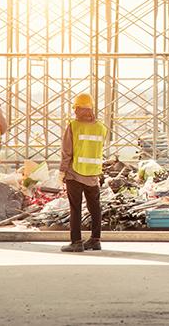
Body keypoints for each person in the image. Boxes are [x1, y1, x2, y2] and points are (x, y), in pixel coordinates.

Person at [59, 93, 108, 252]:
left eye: (76, 109)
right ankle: (95, 240)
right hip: (93, 174)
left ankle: (76, 242)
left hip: (75, 173)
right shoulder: (101, 127)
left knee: (75, 207)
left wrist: (62, 171)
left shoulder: (73, 126)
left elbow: (67, 151)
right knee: (95, 208)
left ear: (78, 109)